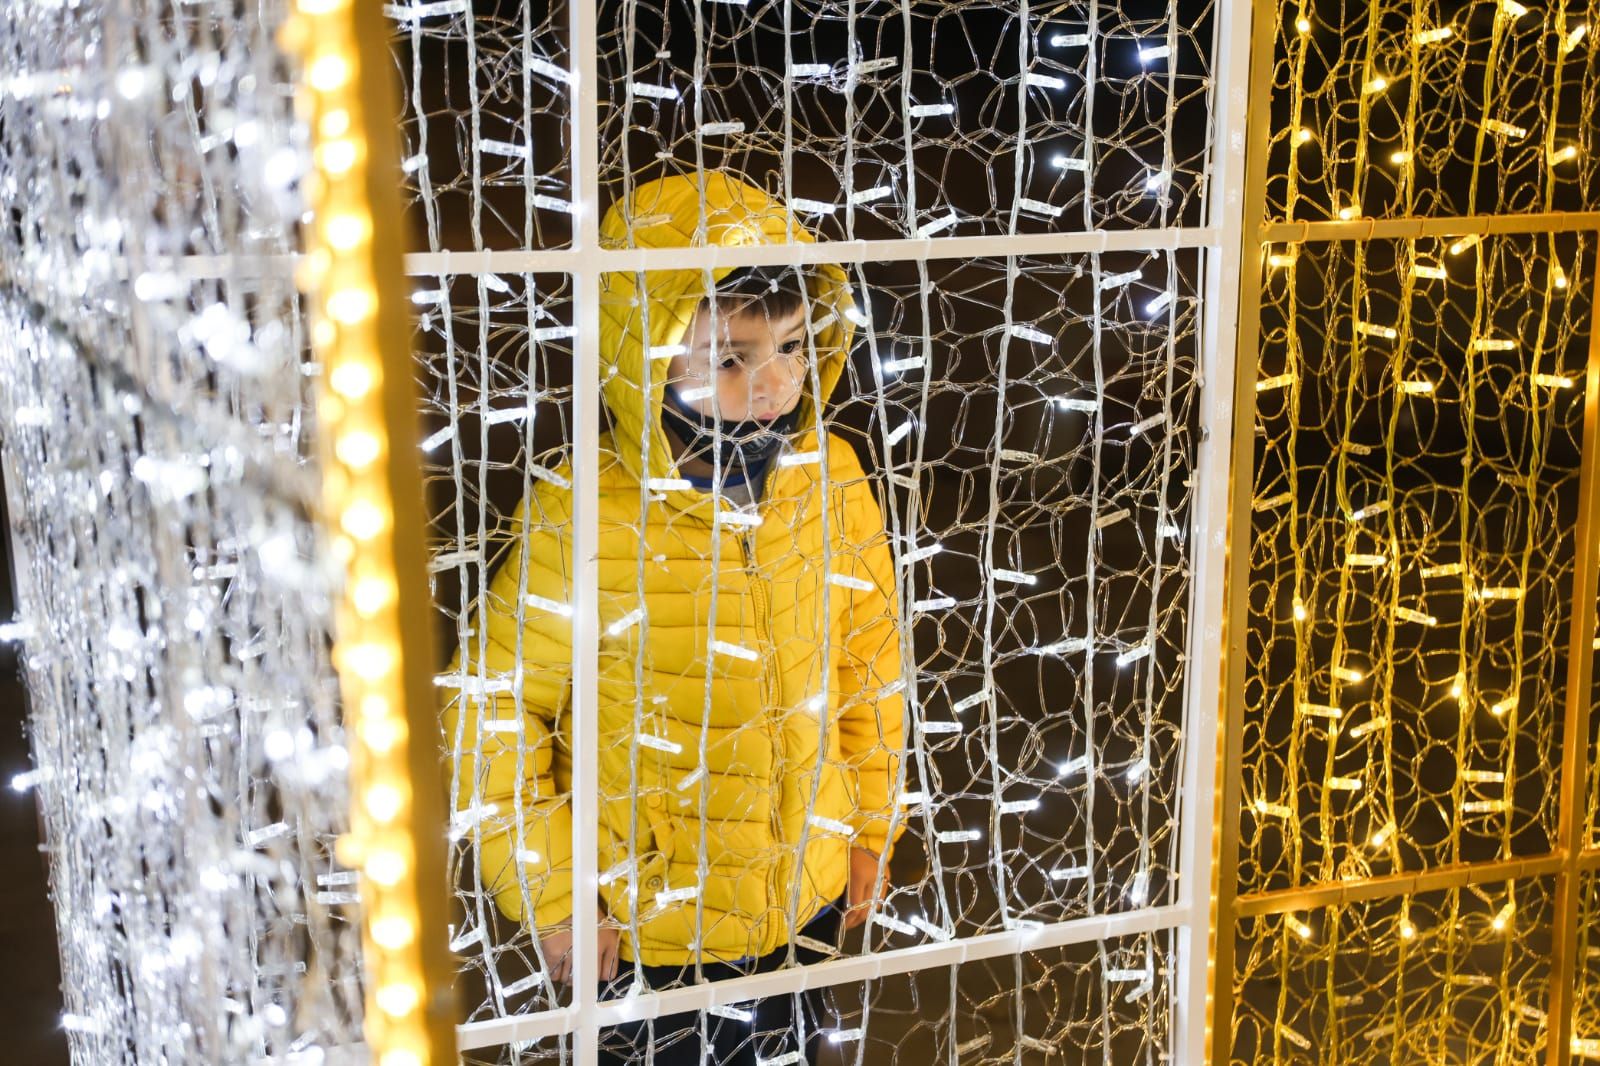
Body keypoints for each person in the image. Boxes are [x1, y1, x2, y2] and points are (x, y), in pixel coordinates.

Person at [443, 171, 907, 1065]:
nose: (771, 384)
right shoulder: (581, 511)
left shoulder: (832, 477)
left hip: (802, 899)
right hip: (651, 936)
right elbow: (488, 710)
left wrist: (871, 828)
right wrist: (558, 898)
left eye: (793, 345)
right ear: (647, 357)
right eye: (731, 357)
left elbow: (870, 663)